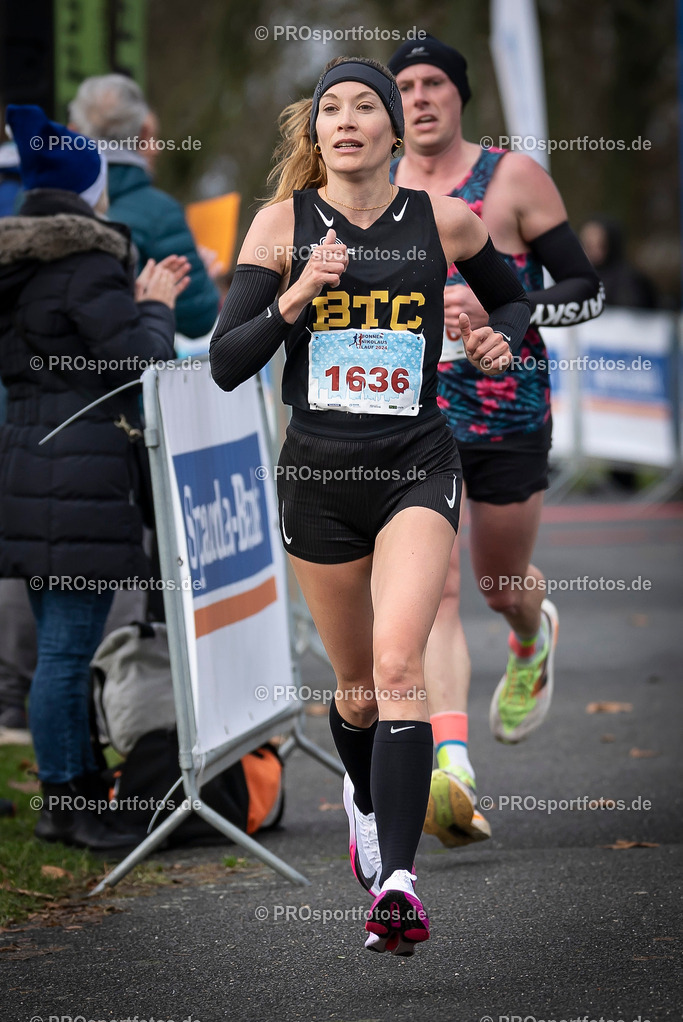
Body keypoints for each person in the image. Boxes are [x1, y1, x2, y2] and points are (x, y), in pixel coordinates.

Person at [210, 56, 531, 956]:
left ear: (397, 132)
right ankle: (361, 792)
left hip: (415, 464)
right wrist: (301, 293)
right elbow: (227, 360)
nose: (346, 119)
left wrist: (493, 341)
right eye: (330, 110)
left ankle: (397, 882)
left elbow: (515, 311)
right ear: (314, 135)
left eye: (366, 107)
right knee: (354, 692)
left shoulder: (446, 220)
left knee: (400, 667)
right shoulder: (281, 224)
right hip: (318, 477)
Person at [386, 36, 604, 848]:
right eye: (403, 85)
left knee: (495, 582)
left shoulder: (510, 180)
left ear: (459, 94)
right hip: (414, 416)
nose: (419, 98)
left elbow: (586, 290)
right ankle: (452, 765)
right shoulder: (380, 188)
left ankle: (527, 631)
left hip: (508, 408)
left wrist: (504, 314)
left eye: (433, 82)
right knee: (431, 588)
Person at [0, 105, 188, 849]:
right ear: (89, 188)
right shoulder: (87, 264)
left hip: (28, 460)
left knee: (58, 646)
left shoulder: (19, 264)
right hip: (79, 472)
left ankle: (76, 791)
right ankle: (66, 803)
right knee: (67, 651)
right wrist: (157, 309)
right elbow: (136, 366)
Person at [68, 74, 219, 339]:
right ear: (144, 133)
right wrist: (200, 274)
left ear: (73, 130)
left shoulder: (31, 198)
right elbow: (199, 318)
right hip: (127, 375)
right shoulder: (160, 214)